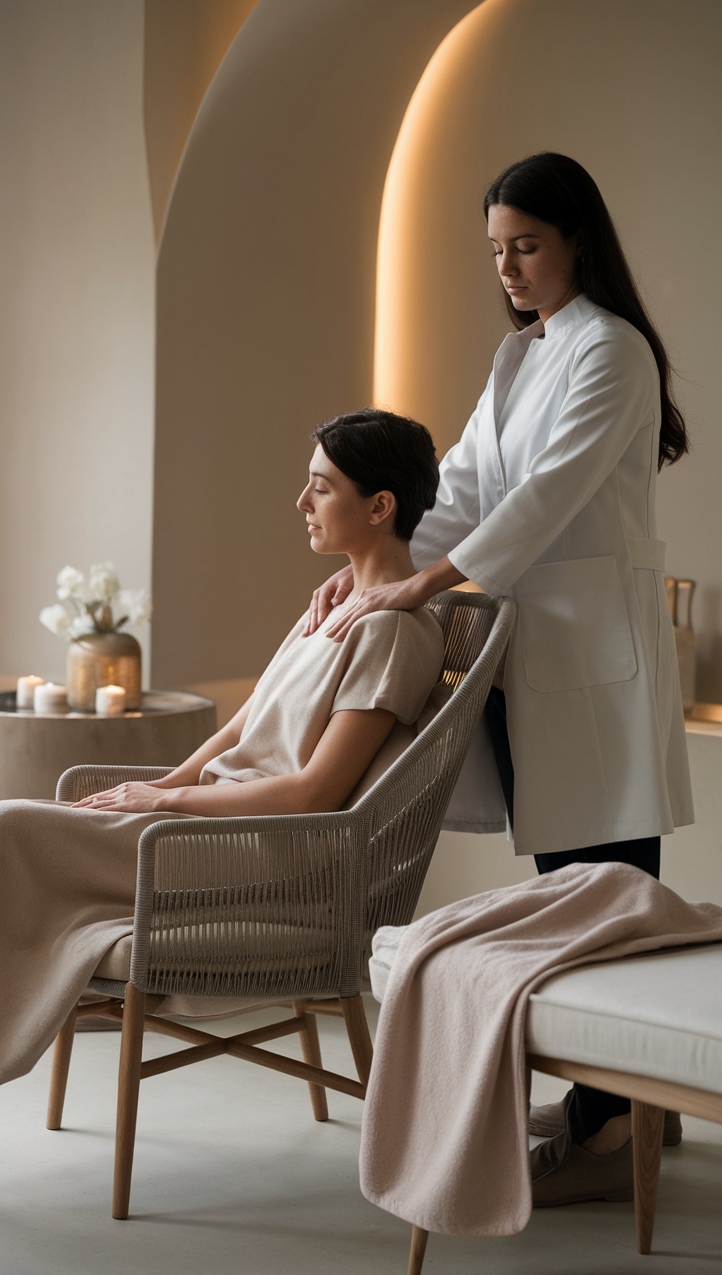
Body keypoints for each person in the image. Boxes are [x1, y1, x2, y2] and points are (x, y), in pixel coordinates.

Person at [307, 153, 694, 1204]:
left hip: (595, 659)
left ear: (575, 237)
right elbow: (468, 484)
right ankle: (615, 1104)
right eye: (496, 251)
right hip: (532, 656)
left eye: (524, 244)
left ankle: (619, 1128)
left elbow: (551, 495)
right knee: (560, 892)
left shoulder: (613, 353)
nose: (510, 267)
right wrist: (365, 577)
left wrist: (424, 580)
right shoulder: (518, 356)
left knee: (609, 887)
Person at [0, 409, 445, 1085]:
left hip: (264, 852)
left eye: (321, 487)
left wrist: (167, 798)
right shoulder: (331, 605)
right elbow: (245, 725)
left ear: (380, 505)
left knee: (11, 827)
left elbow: (315, 793)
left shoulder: (391, 635)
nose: (301, 502)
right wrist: (157, 792)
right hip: (205, 824)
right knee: (22, 830)